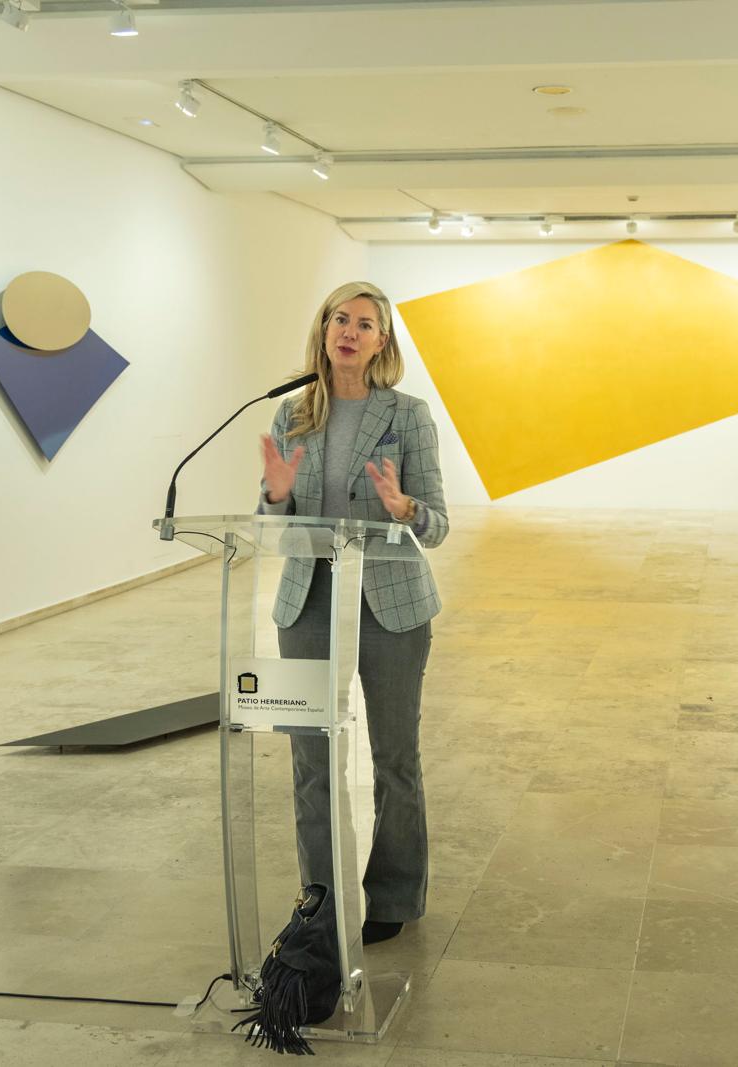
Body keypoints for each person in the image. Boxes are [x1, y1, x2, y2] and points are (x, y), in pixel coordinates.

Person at [257, 281, 449, 945]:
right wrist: (276, 496)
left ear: (381, 342)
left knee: (394, 757)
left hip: (392, 603)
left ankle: (393, 894)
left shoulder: (408, 415)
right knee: (311, 761)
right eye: (341, 318)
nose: (350, 331)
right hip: (308, 601)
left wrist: (405, 508)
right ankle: (321, 898)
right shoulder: (291, 414)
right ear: (324, 327)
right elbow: (271, 524)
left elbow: (438, 524)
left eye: (365, 324)